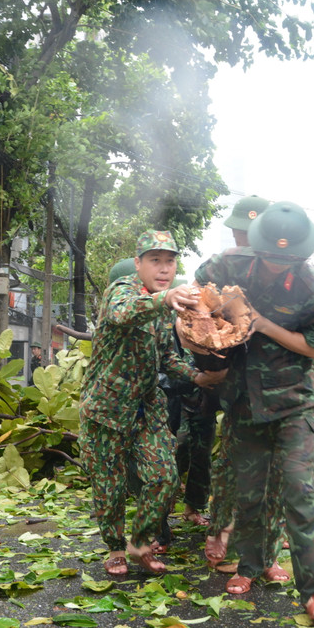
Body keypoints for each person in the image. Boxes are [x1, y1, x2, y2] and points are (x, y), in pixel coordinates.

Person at [194, 201, 314, 621]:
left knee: (299, 491)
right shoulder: (227, 266)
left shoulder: (313, 288)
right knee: (250, 495)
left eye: (286, 259)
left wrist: (264, 324)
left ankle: (312, 589)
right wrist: (205, 322)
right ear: (256, 247)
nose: (276, 265)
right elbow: (195, 293)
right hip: (243, 401)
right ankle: (250, 567)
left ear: (302, 255)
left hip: (295, 403)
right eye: (270, 257)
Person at [79, 230, 225, 577]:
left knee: (164, 477)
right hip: (106, 409)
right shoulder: (123, 291)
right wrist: (166, 299)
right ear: (138, 263)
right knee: (110, 486)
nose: (164, 269)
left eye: (170, 261)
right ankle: (115, 549)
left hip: (147, 408)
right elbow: (123, 313)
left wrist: (197, 377)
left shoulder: (163, 304)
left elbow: (165, 358)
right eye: (155, 260)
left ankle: (141, 542)